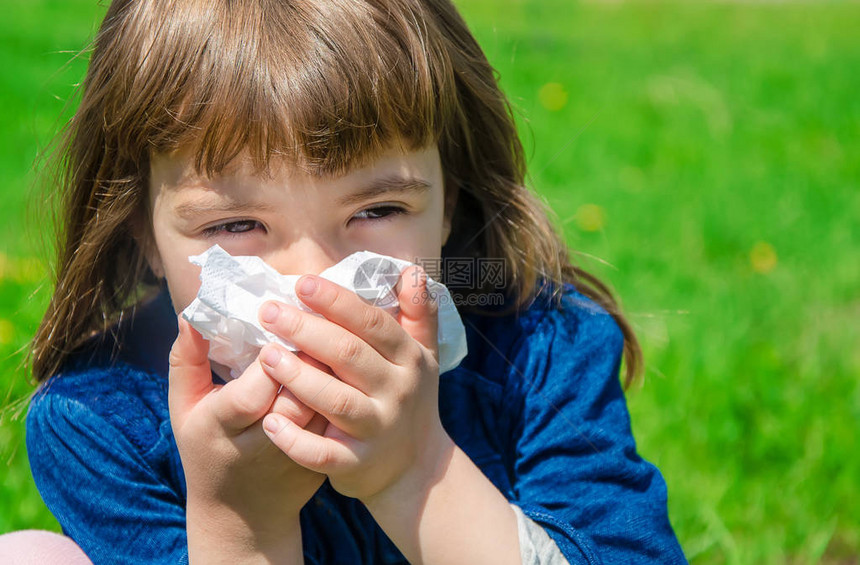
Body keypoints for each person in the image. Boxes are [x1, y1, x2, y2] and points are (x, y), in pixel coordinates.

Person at [23, 0, 687, 563]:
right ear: (142, 229)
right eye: (236, 225)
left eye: (376, 211)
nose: (314, 279)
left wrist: (414, 468)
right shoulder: (99, 421)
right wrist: (239, 520)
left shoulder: (541, 349)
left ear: (448, 201)